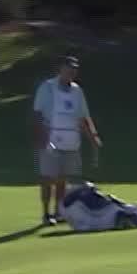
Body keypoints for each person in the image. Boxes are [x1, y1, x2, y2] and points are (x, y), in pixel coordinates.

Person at [32, 55, 102, 225]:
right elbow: (38, 114)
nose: (72, 71)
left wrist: (93, 137)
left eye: (74, 68)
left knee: (63, 179)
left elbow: (83, 117)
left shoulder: (77, 91)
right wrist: (41, 137)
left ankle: (59, 212)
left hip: (71, 140)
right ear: (60, 69)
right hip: (51, 138)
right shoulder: (47, 87)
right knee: (48, 178)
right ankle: (46, 214)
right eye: (69, 67)